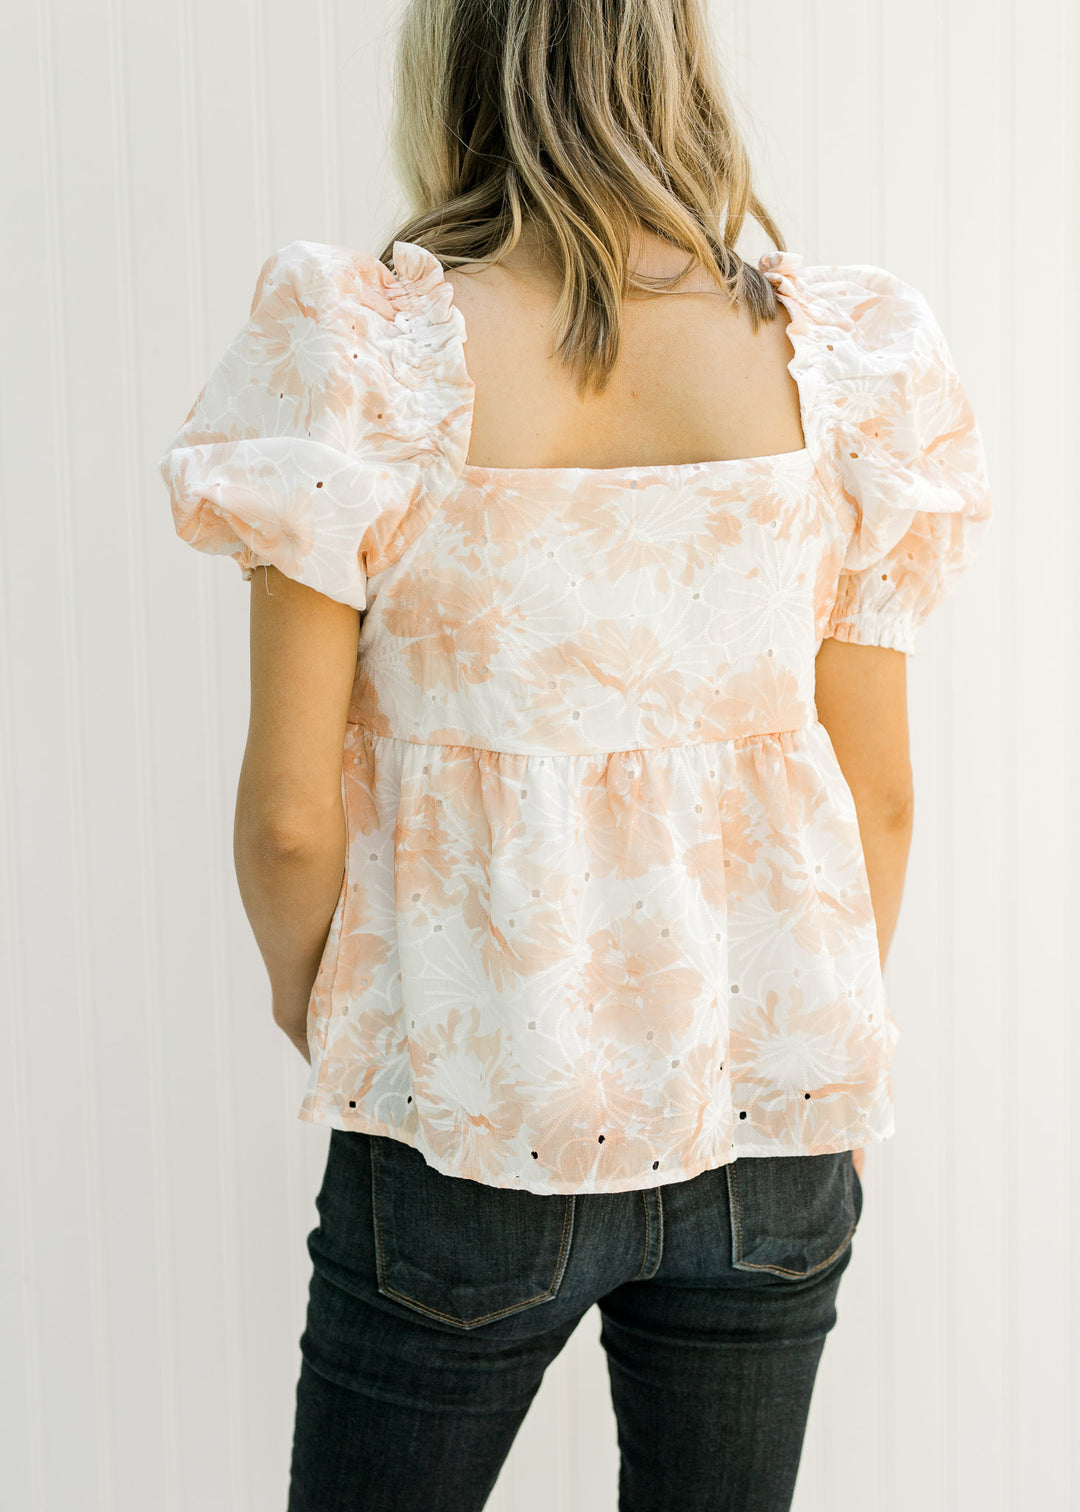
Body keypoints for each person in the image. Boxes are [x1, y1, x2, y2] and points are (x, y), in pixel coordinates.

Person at [158, 1, 992, 1507]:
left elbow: (288, 822)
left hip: (466, 1122)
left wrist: (343, 1021)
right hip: (771, 1132)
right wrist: (818, 1091)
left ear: (459, 67)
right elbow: (881, 795)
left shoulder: (365, 349)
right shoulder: (853, 360)